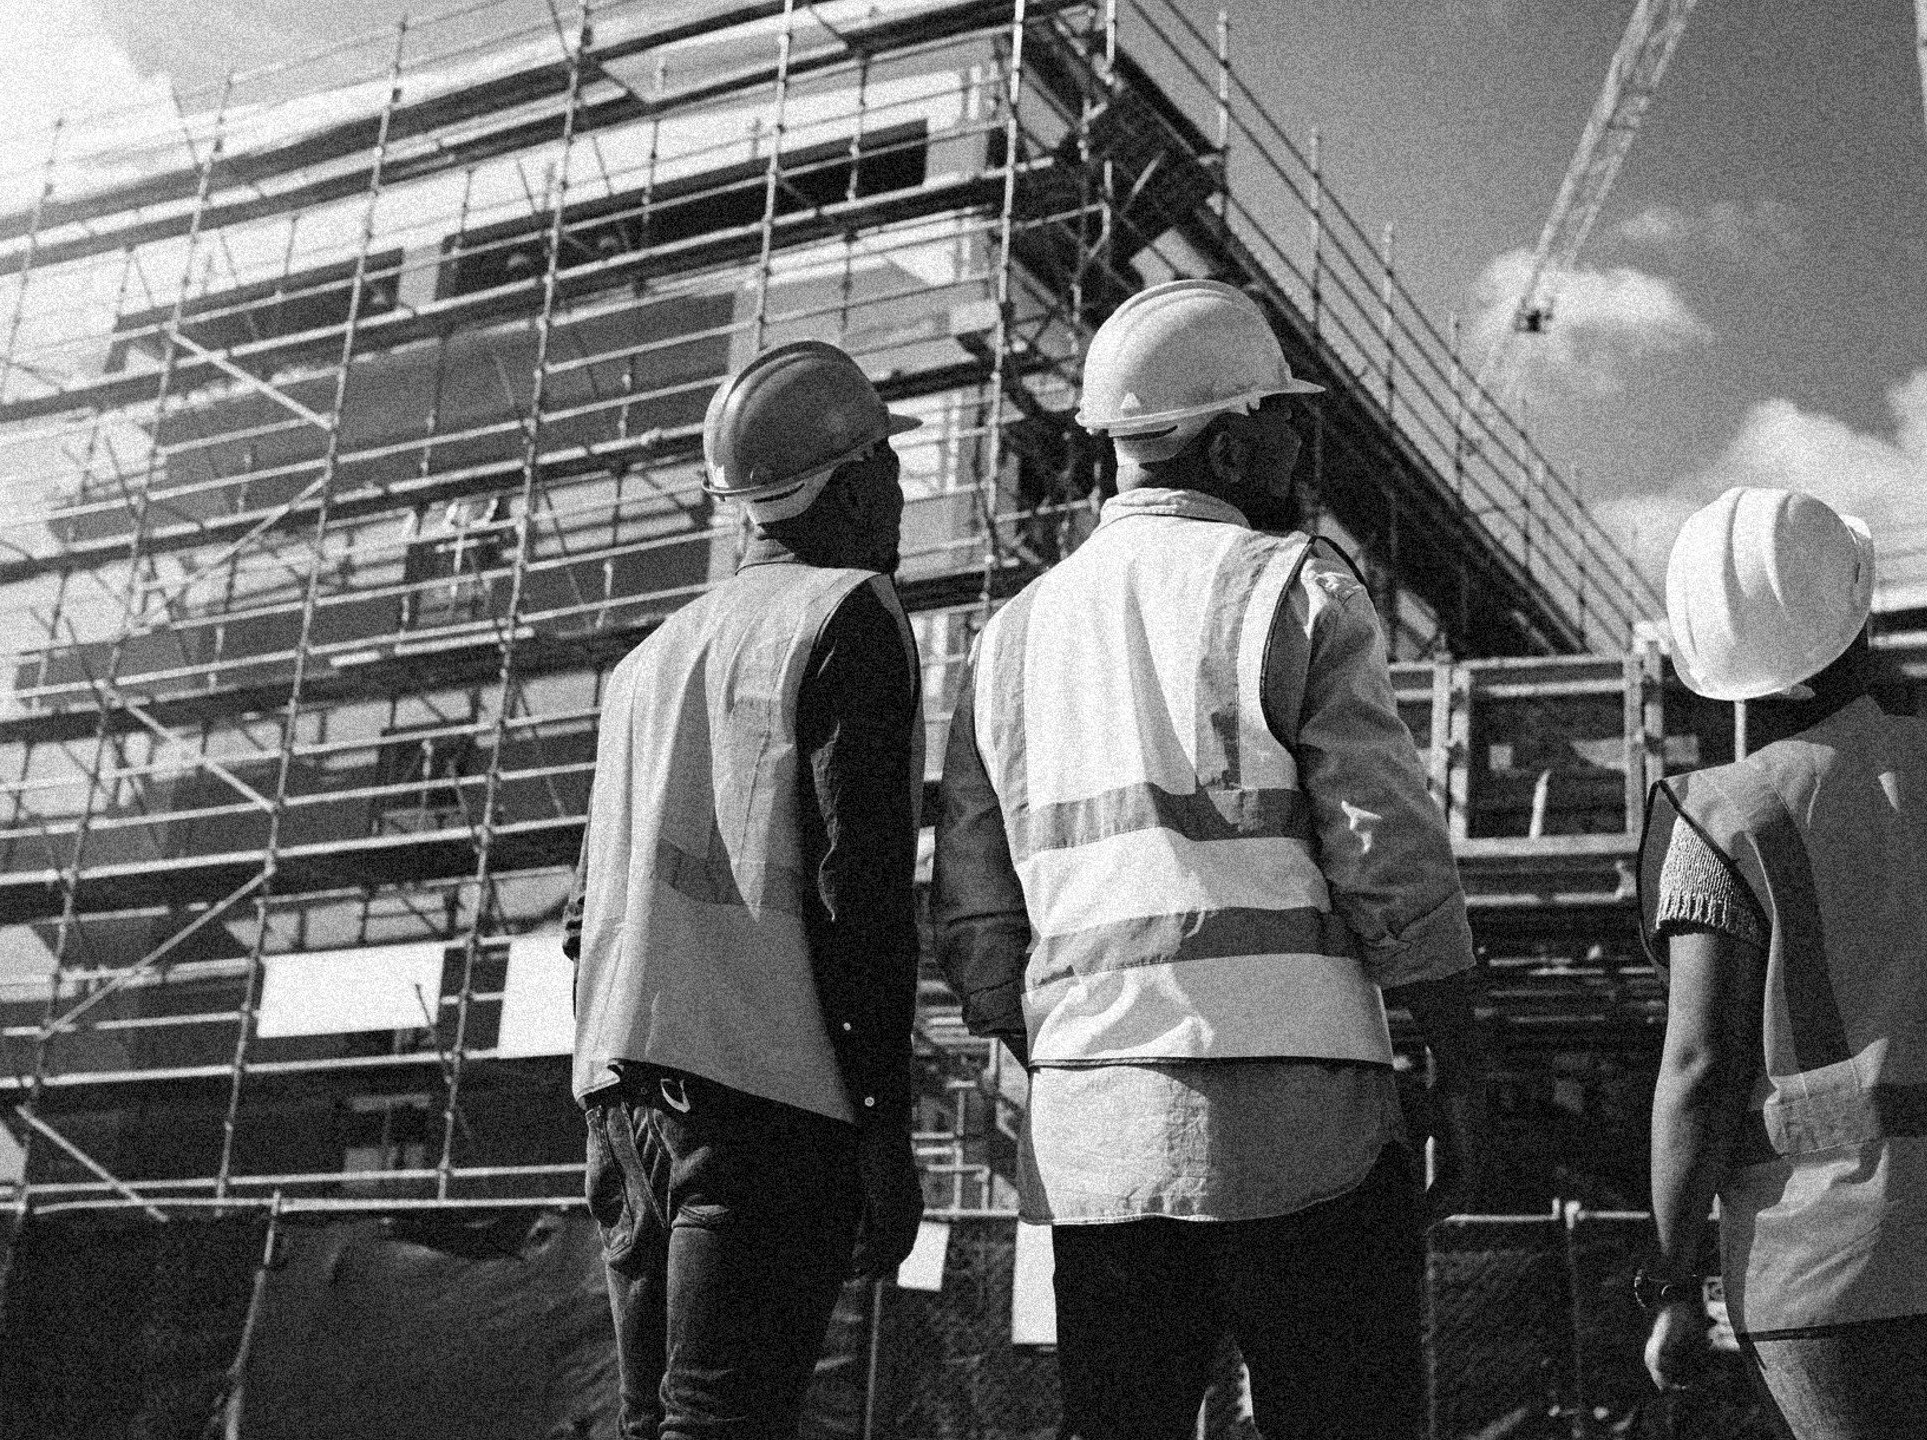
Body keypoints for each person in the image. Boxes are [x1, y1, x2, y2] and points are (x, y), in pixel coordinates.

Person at [934, 278, 1486, 1440]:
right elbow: (1386, 849)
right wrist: (1460, 1061)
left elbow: (979, 923)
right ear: (1229, 442)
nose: (1298, 443)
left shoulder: (1010, 637)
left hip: (1098, 1138)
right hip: (1305, 1126)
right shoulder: (1291, 587)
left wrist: (1074, 1045)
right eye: (1283, 420)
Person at [1631, 487, 1927, 1440]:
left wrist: (1674, 1283)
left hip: (1833, 1264)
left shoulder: (1718, 818)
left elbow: (1695, 1072)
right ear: (1860, 614)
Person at [566, 340, 926, 1439]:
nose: (901, 495)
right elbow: (853, 894)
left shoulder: (648, 659)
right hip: (765, 1100)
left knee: (655, 1423)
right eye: (890, 470)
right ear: (852, 479)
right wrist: (881, 1122)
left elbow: (584, 922)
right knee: (725, 1424)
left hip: (624, 1100)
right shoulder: (845, 614)